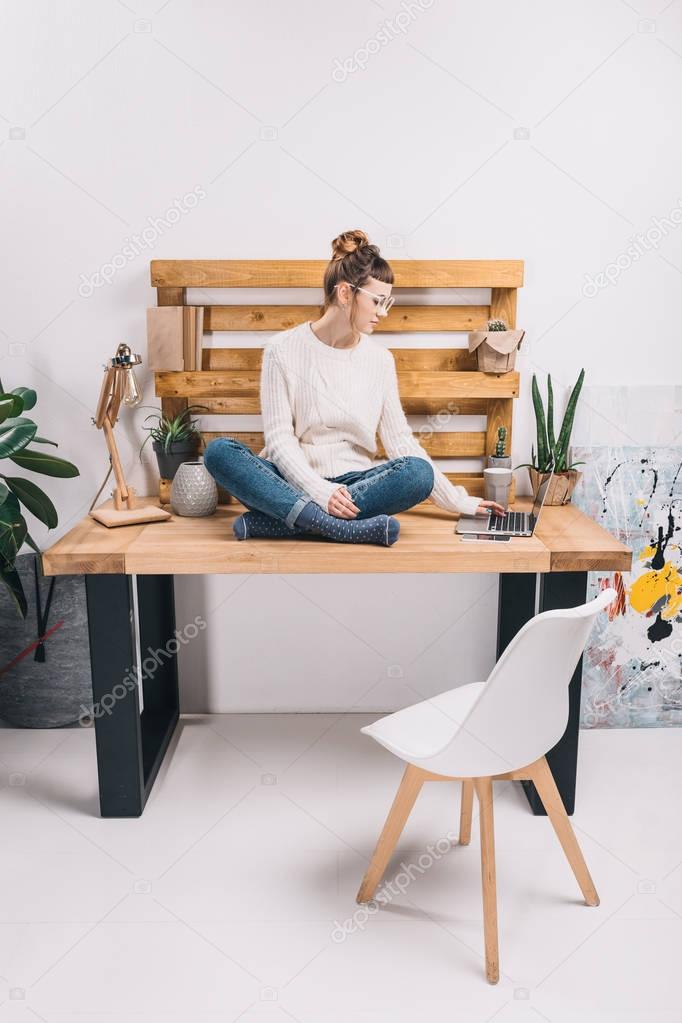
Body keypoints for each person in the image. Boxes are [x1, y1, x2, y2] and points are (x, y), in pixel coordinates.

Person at [204, 229, 505, 547]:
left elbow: (400, 442)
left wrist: (458, 502)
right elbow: (279, 441)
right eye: (377, 301)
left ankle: (287, 522)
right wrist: (320, 492)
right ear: (345, 293)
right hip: (292, 481)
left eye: (387, 302)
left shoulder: (380, 360)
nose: (383, 312)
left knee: (417, 473)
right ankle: (339, 527)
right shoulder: (281, 350)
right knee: (220, 452)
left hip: (357, 486)